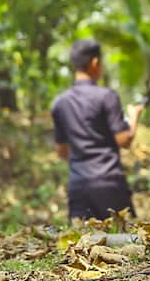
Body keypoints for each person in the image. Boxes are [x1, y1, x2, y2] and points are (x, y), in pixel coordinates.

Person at [51, 38, 144, 221]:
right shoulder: (106, 97)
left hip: (78, 186)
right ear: (95, 63)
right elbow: (124, 141)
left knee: (82, 245)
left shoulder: (60, 103)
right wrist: (134, 117)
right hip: (109, 183)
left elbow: (62, 152)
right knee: (127, 241)